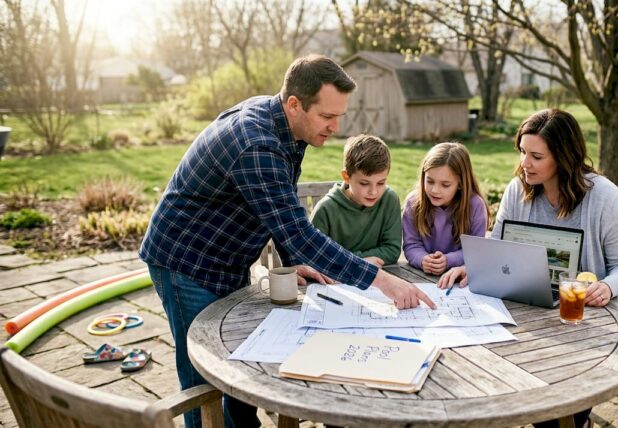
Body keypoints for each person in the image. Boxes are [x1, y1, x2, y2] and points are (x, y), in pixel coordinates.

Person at [139, 54, 435, 428]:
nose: (335, 126)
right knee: (207, 383)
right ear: (295, 104)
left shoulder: (287, 127)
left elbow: (279, 208)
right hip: (185, 259)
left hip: (225, 256)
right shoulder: (255, 143)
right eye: (328, 117)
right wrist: (383, 281)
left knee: (237, 369)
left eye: (339, 116)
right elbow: (299, 231)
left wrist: (292, 258)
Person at [438, 109, 618, 428]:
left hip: (591, 317)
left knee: (551, 388)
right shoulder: (518, 190)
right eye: (522, 152)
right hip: (533, 306)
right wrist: (472, 265)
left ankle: (568, 420)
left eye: (536, 156)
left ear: (563, 157)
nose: (524, 163)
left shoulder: (603, 197)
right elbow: (498, 242)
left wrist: (608, 286)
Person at [310, 134, 402, 267]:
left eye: (381, 183)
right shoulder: (326, 209)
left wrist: (346, 260)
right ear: (346, 177)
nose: (373, 191)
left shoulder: (389, 199)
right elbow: (315, 256)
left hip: (377, 279)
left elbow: (392, 250)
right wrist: (359, 262)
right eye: (364, 183)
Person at [402, 142, 490, 276]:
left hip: (459, 278)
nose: (435, 190)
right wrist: (423, 260)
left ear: (460, 184)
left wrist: (448, 260)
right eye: (430, 181)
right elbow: (411, 245)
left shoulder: (475, 206)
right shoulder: (413, 203)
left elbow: (475, 251)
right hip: (420, 276)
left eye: (445, 185)